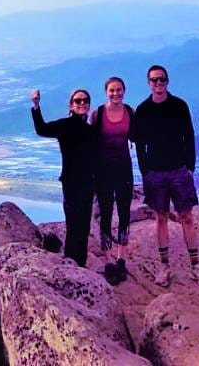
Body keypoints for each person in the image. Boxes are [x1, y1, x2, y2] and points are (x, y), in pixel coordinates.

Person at [130, 64, 199, 287]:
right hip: (155, 173)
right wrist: (145, 171)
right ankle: (164, 266)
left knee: (187, 217)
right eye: (154, 80)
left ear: (167, 81)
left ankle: (196, 266)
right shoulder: (143, 110)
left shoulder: (179, 105)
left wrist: (190, 167)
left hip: (178, 169)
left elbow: (189, 135)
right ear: (149, 83)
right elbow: (139, 143)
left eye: (162, 79)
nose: (158, 83)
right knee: (161, 218)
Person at [30, 86, 96, 267]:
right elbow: (42, 129)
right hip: (71, 181)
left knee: (84, 225)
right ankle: (71, 261)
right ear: (71, 105)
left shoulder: (91, 131)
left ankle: (80, 263)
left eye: (85, 101)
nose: (82, 103)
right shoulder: (65, 125)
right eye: (78, 101)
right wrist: (36, 105)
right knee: (74, 223)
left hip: (88, 182)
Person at [90, 76, 134, 285]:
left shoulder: (130, 113)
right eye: (111, 90)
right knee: (106, 213)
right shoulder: (97, 114)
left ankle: (121, 259)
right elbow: (89, 141)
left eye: (119, 90)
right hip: (103, 170)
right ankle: (108, 262)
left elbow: (139, 137)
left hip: (124, 168)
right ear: (106, 91)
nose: (115, 93)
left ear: (124, 91)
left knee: (125, 212)